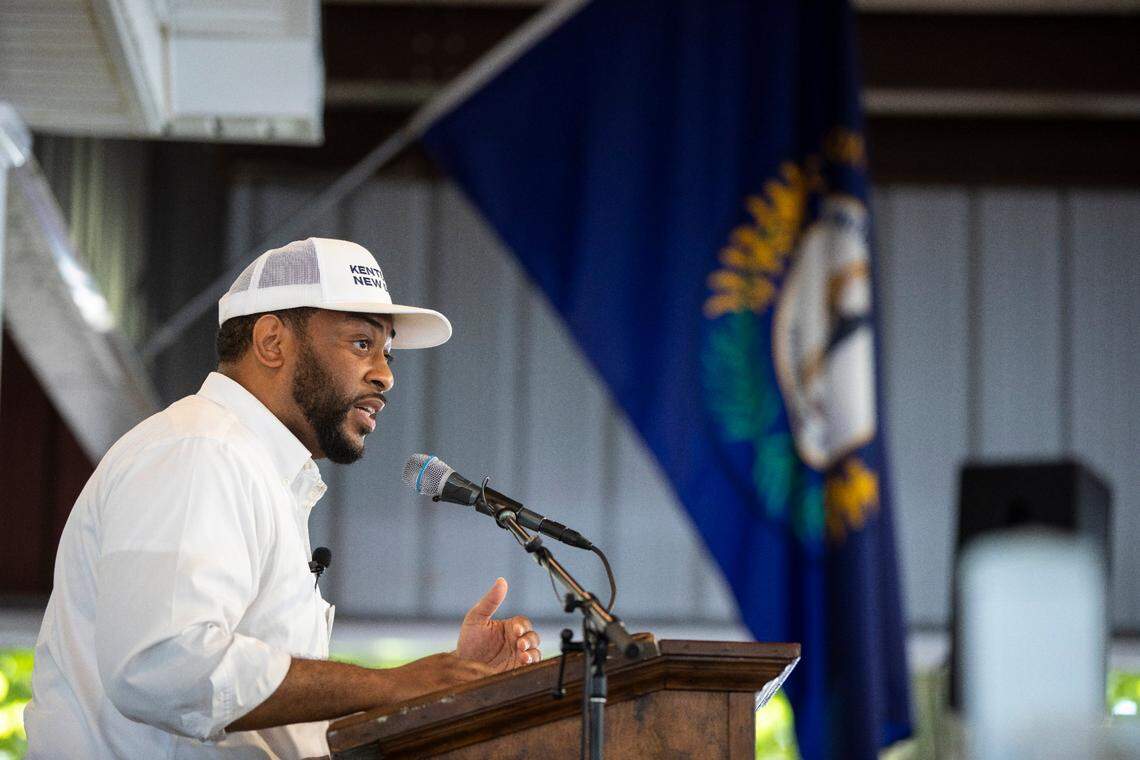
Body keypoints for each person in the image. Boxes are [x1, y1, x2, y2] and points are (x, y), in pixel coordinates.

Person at [24, 238, 541, 758]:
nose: (385, 374)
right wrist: (396, 684)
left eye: (387, 351)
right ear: (272, 341)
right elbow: (163, 666)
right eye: (362, 343)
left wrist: (453, 686)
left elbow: (278, 731)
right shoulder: (201, 451)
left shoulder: (257, 470)